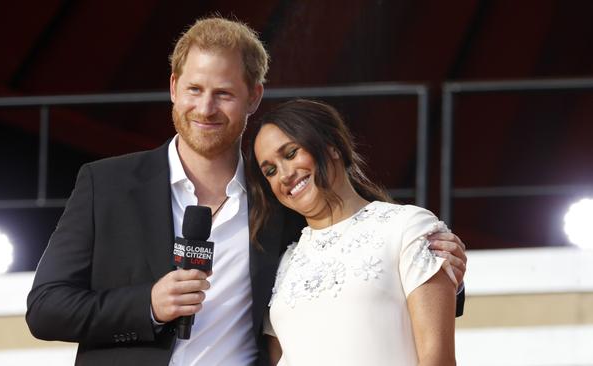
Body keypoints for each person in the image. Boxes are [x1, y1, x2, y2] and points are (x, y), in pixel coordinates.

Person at [26, 17, 467, 366]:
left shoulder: (280, 195)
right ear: (174, 88)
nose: (205, 107)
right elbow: (46, 309)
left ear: (254, 97)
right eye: (194, 89)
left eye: (224, 94)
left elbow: (348, 254)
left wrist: (439, 271)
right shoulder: (106, 184)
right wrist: (147, 305)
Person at [248, 99, 458, 366]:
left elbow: (436, 358)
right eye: (270, 171)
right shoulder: (283, 263)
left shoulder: (407, 227)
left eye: (290, 154)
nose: (284, 175)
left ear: (331, 146)